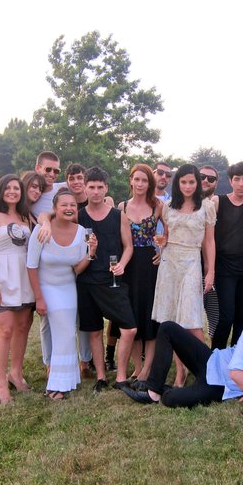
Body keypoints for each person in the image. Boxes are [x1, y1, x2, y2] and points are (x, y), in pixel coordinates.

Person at [122, 293, 243, 408]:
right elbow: (236, 371)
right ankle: (153, 390)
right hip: (213, 360)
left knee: (171, 399)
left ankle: (166, 391)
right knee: (168, 327)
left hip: (222, 387)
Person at [27, 190, 97, 399]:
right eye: (64, 205)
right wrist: (39, 298)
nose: (69, 208)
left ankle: (68, 378)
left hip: (69, 288)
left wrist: (91, 253)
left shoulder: (82, 231)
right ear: (55, 208)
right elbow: (31, 266)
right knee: (63, 333)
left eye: (72, 205)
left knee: (68, 333)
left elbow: (77, 269)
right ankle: (55, 385)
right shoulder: (42, 230)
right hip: (47, 288)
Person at [152, 164, 216, 385]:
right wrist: (160, 243)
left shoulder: (207, 207)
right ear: (177, 183)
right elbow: (166, 236)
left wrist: (210, 270)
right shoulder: (167, 207)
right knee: (172, 319)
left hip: (191, 262)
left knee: (191, 319)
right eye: (183, 182)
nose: (188, 186)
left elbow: (209, 241)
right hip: (169, 264)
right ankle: (181, 372)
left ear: (197, 183)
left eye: (191, 182)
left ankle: (209, 370)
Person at [77, 166, 138, 392]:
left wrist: (123, 263)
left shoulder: (117, 215)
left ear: (106, 188)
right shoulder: (78, 216)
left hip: (112, 280)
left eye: (99, 187)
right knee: (94, 331)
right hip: (86, 280)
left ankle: (120, 377)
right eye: (91, 187)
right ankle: (101, 377)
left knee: (129, 329)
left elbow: (128, 246)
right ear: (85, 188)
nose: (95, 191)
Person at [0, 174, 35, 405]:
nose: (12, 191)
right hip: (2, 278)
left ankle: (16, 374)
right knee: (6, 330)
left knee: (22, 327)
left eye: (17, 188)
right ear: (1, 190)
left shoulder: (25, 217)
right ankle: (1, 381)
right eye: (8, 188)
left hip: (24, 278)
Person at [117, 164, 163, 389]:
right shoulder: (122, 207)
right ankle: (136, 367)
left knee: (149, 317)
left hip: (150, 266)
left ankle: (147, 369)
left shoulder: (158, 205)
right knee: (132, 317)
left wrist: (162, 251)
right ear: (131, 180)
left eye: (144, 180)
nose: (140, 184)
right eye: (137, 179)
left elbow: (171, 232)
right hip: (129, 266)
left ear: (149, 183)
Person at [210, 161, 243, 349]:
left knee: (241, 317)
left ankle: (238, 354)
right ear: (230, 181)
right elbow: (207, 235)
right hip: (224, 266)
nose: (241, 183)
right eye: (237, 179)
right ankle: (216, 355)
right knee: (226, 315)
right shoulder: (218, 201)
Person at [199, 165, 220, 340]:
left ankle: (214, 351)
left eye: (211, 178)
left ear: (216, 183)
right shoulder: (179, 204)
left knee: (214, 313)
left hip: (212, 264)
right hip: (187, 264)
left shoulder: (213, 206)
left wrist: (210, 268)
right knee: (191, 314)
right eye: (202, 177)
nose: (206, 180)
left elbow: (210, 239)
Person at [30, 151, 67, 219]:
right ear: (37, 168)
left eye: (56, 171)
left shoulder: (66, 188)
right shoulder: (30, 195)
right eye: (48, 169)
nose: (52, 174)